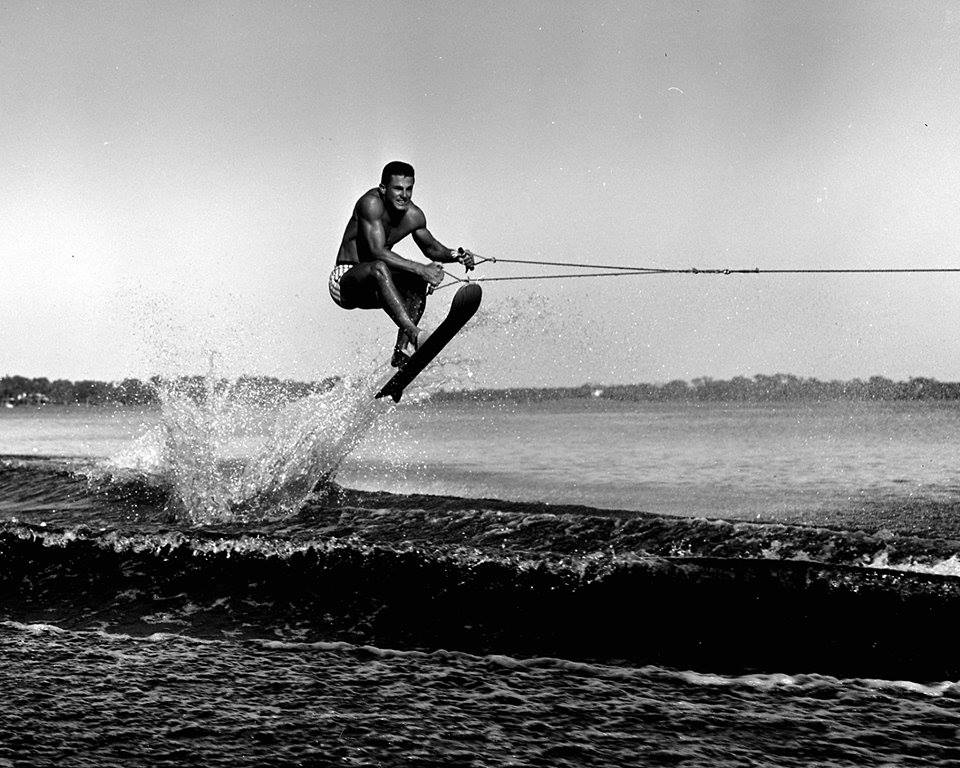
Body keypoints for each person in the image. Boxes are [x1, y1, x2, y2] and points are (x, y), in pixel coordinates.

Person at [329, 161, 477, 367]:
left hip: (379, 285)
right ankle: (415, 334)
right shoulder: (370, 204)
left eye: (409, 189)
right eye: (398, 188)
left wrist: (456, 255)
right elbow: (376, 251)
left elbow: (432, 248)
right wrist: (422, 269)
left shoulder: (414, 215)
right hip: (345, 281)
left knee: (416, 281)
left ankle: (401, 351)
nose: (404, 195)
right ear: (383, 189)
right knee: (381, 267)